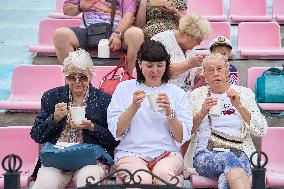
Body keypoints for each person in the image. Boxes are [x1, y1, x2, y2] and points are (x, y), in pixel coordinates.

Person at [107, 40, 193, 186]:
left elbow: (181, 137)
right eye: (149, 66)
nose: (155, 71)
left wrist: (169, 111)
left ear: (166, 66)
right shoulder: (124, 88)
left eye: (160, 66)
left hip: (167, 154)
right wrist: (133, 107)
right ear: (140, 64)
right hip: (130, 153)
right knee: (141, 180)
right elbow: (116, 131)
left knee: (165, 176)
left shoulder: (177, 93)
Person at [30, 49, 119, 189]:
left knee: (88, 181)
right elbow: (36, 135)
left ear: (90, 75)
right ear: (65, 76)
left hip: (91, 160)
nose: (77, 82)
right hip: (57, 158)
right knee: (44, 183)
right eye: (72, 77)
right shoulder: (51, 96)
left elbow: (114, 140)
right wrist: (53, 119)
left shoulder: (104, 100)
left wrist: (92, 128)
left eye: (83, 77)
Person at [183, 53, 268, 189]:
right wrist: (202, 112)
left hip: (241, 151)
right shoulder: (196, 95)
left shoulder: (244, 93)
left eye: (219, 69)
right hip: (205, 154)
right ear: (204, 75)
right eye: (210, 70)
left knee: (226, 177)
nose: (216, 73)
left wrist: (239, 106)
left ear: (227, 71)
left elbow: (261, 130)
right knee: (229, 159)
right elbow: (185, 133)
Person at [53, 0, 144, 72]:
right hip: (88, 31)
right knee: (60, 34)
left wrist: (117, 34)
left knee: (136, 34)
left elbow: (129, 15)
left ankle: (129, 78)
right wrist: (80, 7)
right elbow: (67, 10)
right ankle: (76, 78)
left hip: (117, 32)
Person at [151, 13, 211, 92]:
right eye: (198, 40)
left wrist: (201, 76)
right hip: (162, 94)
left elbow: (187, 80)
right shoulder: (160, 40)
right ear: (188, 35)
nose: (199, 44)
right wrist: (189, 64)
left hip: (184, 96)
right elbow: (156, 71)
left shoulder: (189, 47)